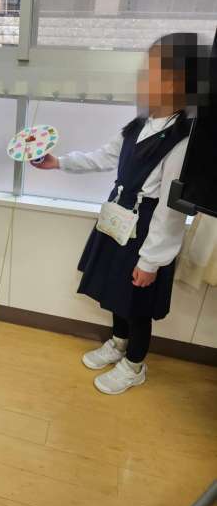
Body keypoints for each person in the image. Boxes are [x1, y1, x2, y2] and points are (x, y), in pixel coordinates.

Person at [32, 33, 201, 394]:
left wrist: (151, 261)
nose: (142, 78)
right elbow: (105, 156)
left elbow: (170, 211)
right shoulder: (140, 123)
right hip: (118, 219)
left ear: (177, 83)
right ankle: (118, 342)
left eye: (151, 71)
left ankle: (134, 364)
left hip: (146, 231)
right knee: (116, 290)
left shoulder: (183, 141)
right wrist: (58, 162)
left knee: (137, 302)